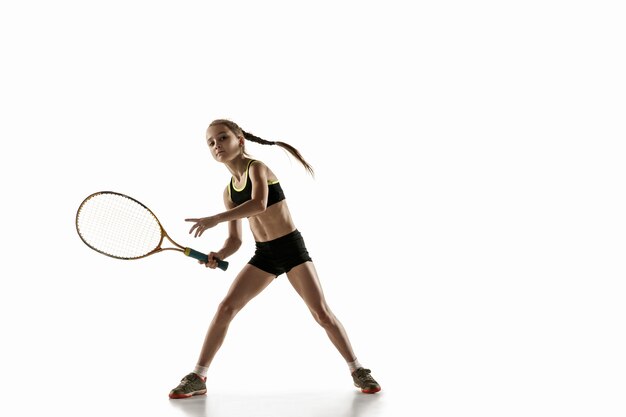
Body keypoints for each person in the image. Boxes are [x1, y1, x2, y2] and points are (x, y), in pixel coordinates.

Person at [169, 119, 381, 399]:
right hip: (264, 254)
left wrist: (214, 219)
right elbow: (235, 240)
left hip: (291, 248)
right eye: (211, 142)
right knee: (226, 308)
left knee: (321, 313)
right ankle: (198, 376)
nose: (217, 145)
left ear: (240, 140)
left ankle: (358, 369)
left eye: (222, 138)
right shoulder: (228, 191)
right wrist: (218, 254)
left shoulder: (257, 168)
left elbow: (259, 203)